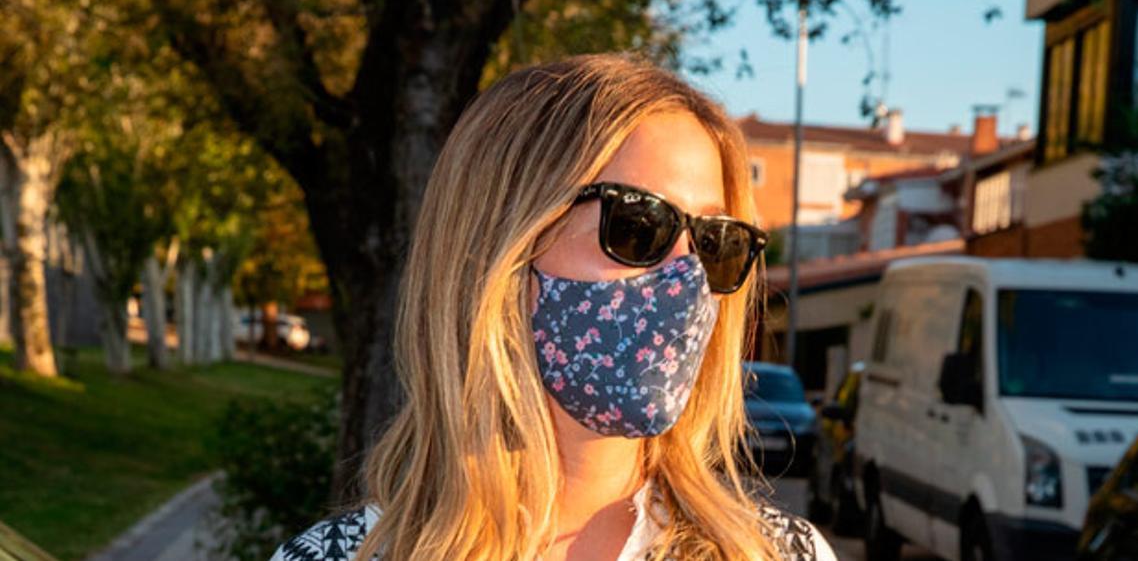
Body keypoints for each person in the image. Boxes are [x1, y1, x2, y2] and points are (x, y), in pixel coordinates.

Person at [271, 53, 837, 560]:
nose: (686, 277)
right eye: (641, 226)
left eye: (715, 242)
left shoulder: (782, 554)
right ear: (498, 245)